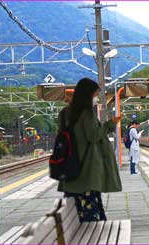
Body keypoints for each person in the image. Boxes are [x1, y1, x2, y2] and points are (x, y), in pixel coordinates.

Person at [57, 77, 122, 222]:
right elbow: (93, 136)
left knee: (75, 212)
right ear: (87, 94)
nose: (96, 98)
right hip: (87, 171)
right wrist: (110, 124)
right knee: (90, 214)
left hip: (70, 170)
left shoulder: (64, 113)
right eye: (94, 94)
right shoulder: (86, 113)